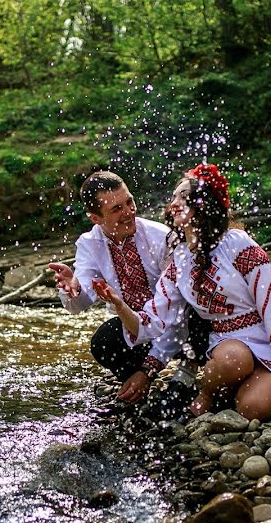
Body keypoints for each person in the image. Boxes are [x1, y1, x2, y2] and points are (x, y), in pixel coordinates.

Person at [93, 163, 271, 420]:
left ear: (204, 204)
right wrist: (121, 307)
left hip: (266, 341)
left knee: (251, 409)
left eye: (184, 197)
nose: (174, 203)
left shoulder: (238, 244)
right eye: (174, 196)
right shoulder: (179, 260)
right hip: (225, 345)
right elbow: (151, 322)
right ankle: (207, 394)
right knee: (232, 359)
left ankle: (242, 383)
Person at [48, 171, 210, 412]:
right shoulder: (89, 244)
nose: (129, 212)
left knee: (198, 306)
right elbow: (79, 305)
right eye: (116, 209)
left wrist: (149, 370)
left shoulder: (161, 237)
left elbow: (176, 307)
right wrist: (73, 289)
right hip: (136, 327)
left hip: (178, 323)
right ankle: (134, 381)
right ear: (95, 218)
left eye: (129, 202)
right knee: (104, 341)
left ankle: (185, 373)